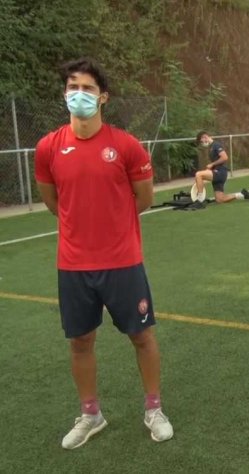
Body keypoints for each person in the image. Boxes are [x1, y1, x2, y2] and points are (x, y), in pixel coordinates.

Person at [34, 58, 174, 449]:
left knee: (142, 336)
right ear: (64, 94)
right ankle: (91, 414)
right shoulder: (47, 147)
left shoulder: (126, 145)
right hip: (73, 265)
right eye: (72, 87)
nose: (79, 94)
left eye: (88, 88)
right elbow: (53, 202)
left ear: (103, 97)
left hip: (123, 262)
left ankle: (154, 409)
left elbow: (143, 199)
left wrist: (113, 227)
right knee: (80, 342)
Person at [194, 131, 249, 203]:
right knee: (220, 199)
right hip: (216, 172)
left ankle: (200, 200)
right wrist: (211, 167)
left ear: (205, 137)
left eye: (201, 142)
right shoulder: (211, 147)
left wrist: (212, 164)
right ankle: (242, 194)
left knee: (198, 174)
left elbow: (224, 157)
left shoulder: (216, 145)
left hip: (220, 172)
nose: (202, 144)